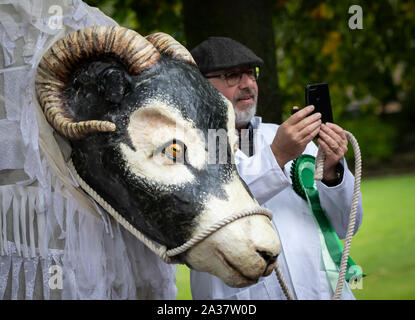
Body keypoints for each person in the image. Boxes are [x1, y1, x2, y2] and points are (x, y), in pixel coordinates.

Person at [189, 37, 363, 300]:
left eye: (250, 73)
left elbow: (347, 224)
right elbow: (214, 209)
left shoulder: (287, 136)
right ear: (199, 87)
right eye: (232, 75)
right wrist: (278, 155)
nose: (247, 84)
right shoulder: (184, 151)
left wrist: (332, 174)